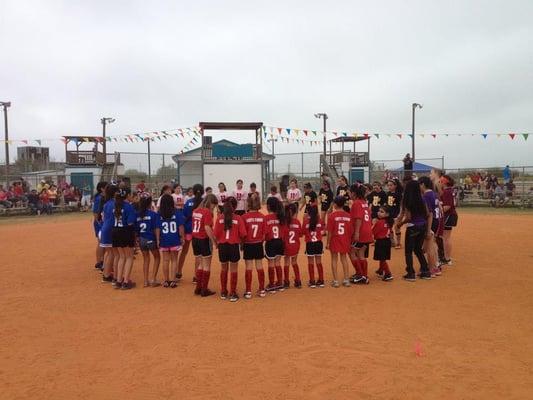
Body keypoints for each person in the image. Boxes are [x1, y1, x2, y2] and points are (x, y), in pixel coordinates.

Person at [395, 180, 431, 281]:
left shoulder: (407, 200)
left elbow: (409, 217)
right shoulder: (422, 199)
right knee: (418, 249)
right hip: (422, 225)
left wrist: (400, 224)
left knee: (408, 251)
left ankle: (410, 273)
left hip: (412, 227)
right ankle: (425, 271)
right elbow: (427, 213)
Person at [214, 197, 247, 302]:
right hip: (233, 246)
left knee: (224, 269)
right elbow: (243, 234)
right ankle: (233, 292)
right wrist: (241, 243)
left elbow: (215, 234)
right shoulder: (238, 218)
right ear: (235, 207)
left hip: (223, 246)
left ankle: (223, 291)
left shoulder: (220, 218)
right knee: (234, 270)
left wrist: (218, 241)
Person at [191, 193, 218, 297]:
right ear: (210, 203)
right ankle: (204, 289)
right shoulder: (207, 212)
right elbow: (207, 228)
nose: (214, 208)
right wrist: (214, 241)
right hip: (203, 239)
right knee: (206, 265)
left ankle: (198, 287)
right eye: (214, 205)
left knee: (201, 264)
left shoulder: (195, 211)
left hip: (195, 239)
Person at [157, 194, 185, 288]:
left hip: (164, 239)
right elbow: (180, 226)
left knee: (165, 260)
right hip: (174, 239)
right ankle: (173, 281)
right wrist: (182, 237)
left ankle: (166, 280)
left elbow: (157, 228)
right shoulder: (176, 212)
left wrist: (158, 239)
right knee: (174, 260)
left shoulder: (159, 214)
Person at [111, 188, 137, 289]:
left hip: (115, 231)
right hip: (125, 231)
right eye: (130, 195)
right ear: (127, 196)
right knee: (129, 257)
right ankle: (126, 282)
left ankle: (118, 280)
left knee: (122, 257)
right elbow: (130, 223)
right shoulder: (128, 207)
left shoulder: (116, 205)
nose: (131, 196)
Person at [242, 194, 267, 298]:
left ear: (248, 204)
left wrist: (242, 244)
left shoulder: (244, 217)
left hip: (248, 244)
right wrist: (260, 241)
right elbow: (265, 234)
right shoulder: (262, 217)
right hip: (258, 244)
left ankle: (248, 291)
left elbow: (243, 234)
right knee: (259, 266)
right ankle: (262, 290)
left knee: (248, 267)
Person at [177, 184, 203, 281]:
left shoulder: (188, 202)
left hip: (188, 229)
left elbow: (184, 217)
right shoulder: (204, 203)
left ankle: (178, 272)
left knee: (184, 252)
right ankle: (196, 276)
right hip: (199, 230)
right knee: (199, 254)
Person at [327, 196, 353, 287]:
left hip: (335, 239)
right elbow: (351, 231)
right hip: (345, 239)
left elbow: (329, 231)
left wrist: (327, 243)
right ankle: (346, 280)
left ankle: (336, 281)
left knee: (334, 259)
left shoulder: (331, 216)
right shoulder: (348, 216)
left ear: (335, 205)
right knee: (344, 258)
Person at [350, 184, 373, 284]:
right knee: (361, 253)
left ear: (354, 193)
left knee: (351, 252)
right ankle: (364, 275)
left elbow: (358, 218)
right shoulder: (364, 202)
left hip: (361, 231)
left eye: (350, 192)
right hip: (367, 230)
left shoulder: (357, 203)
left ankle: (360, 274)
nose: (349, 194)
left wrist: (356, 232)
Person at [136, 193, 161, 287]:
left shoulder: (137, 215)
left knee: (146, 259)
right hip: (150, 239)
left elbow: (136, 229)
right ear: (149, 203)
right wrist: (158, 240)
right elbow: (156, 229)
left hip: (142, 239)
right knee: (157, 257)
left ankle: (146, 281)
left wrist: (137, 239)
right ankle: (153, 279)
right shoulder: (153, 214)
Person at [419, 177, 441, 277]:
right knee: (431, 245)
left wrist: (428, 229)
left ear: (423, 184)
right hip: (436, 221)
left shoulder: (426, 195)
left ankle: (431, 269)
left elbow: (429, 213)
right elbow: (439, 208)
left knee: (428, 247)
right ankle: (436, 265)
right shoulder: (434, 194)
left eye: (419, 184)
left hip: (430, 222)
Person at [263, 196, 285, 292]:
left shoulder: (266, 218)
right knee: (278, 262)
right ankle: (280, 282)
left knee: (271, 263)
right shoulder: (280, 217)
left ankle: (272, 284)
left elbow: (265, 233)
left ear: (268, 206)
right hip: (280, 242)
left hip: (271, 242)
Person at [100, 184, 119, 283]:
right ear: (114, 193)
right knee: (113, 253)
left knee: (109, 253)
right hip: (110, 229)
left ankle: (106, 274)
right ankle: (108, 275)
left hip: (105, 228)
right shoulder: (114, 203)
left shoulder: (107, 203)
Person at [303, 205, 325, 288]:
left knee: (310, 262)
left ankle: (312, 281)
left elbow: (303, 232)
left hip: (310, 244)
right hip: (318, 243)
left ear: (308, 212)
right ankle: (321, 280)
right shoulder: (320, 220)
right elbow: (323, 232)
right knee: (319, 262)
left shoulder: (306, 221)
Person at [281, 202, 302, 289]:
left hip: (286, 245)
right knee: (294, 262)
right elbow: (300, 234)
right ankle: (298, 281)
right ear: (295, 213)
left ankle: (286, 282)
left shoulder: (284, 223)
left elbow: (282, 235)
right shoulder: (297, 222)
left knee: (286, 262)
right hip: (295, 245)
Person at [372, 206, 394, 281]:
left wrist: (374, 224)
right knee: (382, 257)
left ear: (387, 214)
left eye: (382, 212)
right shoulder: (389, 222)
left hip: (381, 242)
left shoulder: (380, 222)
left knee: (382, 258)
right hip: (387, 241)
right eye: (379, 211)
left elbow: (374, 231)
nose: (379, 213)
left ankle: (388, 274)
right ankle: (381, 270)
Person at [440, 175, 458, 265]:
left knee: (446, 238)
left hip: (449, 215)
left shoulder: (447, 191)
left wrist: (437, 211)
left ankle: (447, 258)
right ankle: (446, 257)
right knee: (445, 237)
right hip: (450, 215)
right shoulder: (449, 190)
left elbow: (447, 207)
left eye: (441, 181)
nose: (440, 182)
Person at [92, 182, 107, 270]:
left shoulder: (103, 197)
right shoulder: (99, 198)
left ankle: (102, 260)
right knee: (101, 243)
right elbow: (95, 213)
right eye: (106, 187)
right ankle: (99, 262)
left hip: (102, 222)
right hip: (99, 222)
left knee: (103, 243)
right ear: (102, 189)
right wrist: (99, 222)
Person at [386, 179, 403, 248]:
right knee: (389, 228)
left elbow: (401, 205)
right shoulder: (388, 194)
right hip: (389, 213)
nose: (389, 187)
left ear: (395, 186)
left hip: (396, 213)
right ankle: (392, 241)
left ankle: (398, 243)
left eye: (391, 185)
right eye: (388, 185)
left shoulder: (398, 194)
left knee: (396, 227)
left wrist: (400, 214)